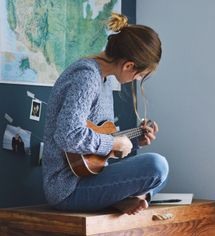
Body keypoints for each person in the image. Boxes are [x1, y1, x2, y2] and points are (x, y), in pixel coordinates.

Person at [42, 13, 169, 215]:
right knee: (157, 166)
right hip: (68, 188)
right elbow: (68, 135)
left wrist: (135, 142)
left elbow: (98, 142)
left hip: (91, 177)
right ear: (129, 65)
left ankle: (124, 200)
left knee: (160, 175)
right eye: (140, 75)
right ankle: (129, 199)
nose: (137, 80)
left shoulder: (106, 80)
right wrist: (115, 143)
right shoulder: (86, 76)